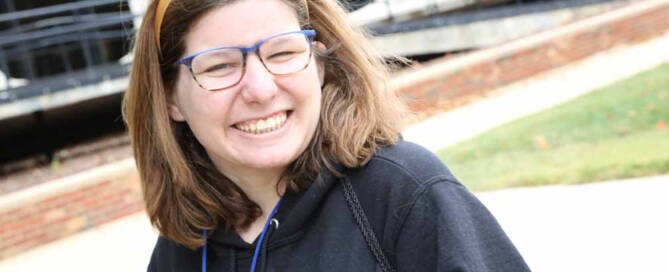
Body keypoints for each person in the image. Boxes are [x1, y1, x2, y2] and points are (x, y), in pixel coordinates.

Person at [123, 0, 531, 271]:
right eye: (219, 67)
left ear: (318, 65)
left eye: (282, 53)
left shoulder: (403, 193)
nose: (261, 89)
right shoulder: (182, 251)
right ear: (170, 98)